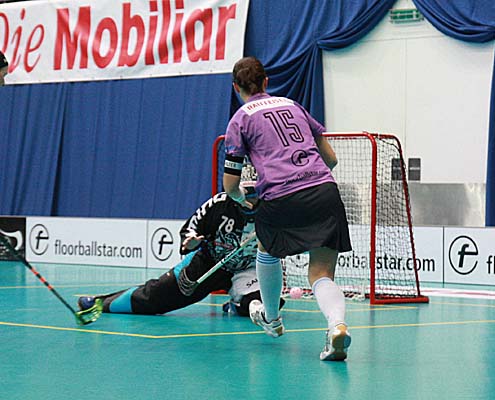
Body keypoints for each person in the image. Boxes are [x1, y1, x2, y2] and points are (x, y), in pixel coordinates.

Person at [223, 56, 352, 361]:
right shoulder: (293, 105)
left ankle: (271, 318)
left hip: (280, 198)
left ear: (236, 87)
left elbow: (230, 185)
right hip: (324, 192)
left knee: (267, 249)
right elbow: (331, 159)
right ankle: (337, 326)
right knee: (321, 273)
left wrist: (241, 197)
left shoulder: (240, 120)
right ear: (266, 82)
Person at [78, 181, 284, 318]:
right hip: (209, 264)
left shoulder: (276, 209)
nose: (249, 202)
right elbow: (190, 229)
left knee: (263, 304)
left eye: (255, 196)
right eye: (245, 195)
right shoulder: (219, 203)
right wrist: (190, 241)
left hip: (249, 269)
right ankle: (99, 303)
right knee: (154, 298)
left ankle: (236, 306)